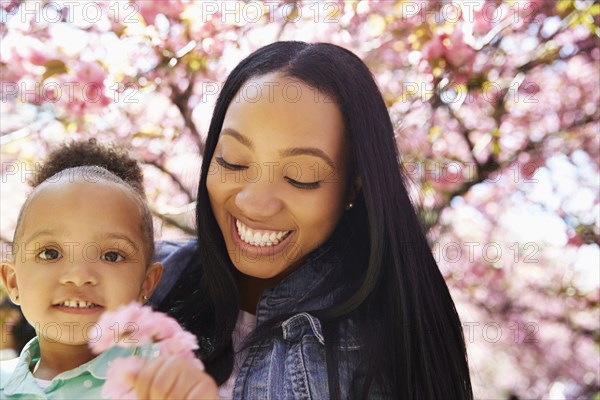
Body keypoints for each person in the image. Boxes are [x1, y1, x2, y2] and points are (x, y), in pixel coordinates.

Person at [146, 41, 473, 399]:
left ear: (354, 187)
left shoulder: (387, 342)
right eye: (233, 161)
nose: (255, 203)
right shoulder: (147, 278)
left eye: (301, 177)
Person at [0, 139, 218, 399]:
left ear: (147, 284)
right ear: (12, 283)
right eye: (50, 253)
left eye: (111, 255)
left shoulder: (162, 378)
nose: (79, 276)